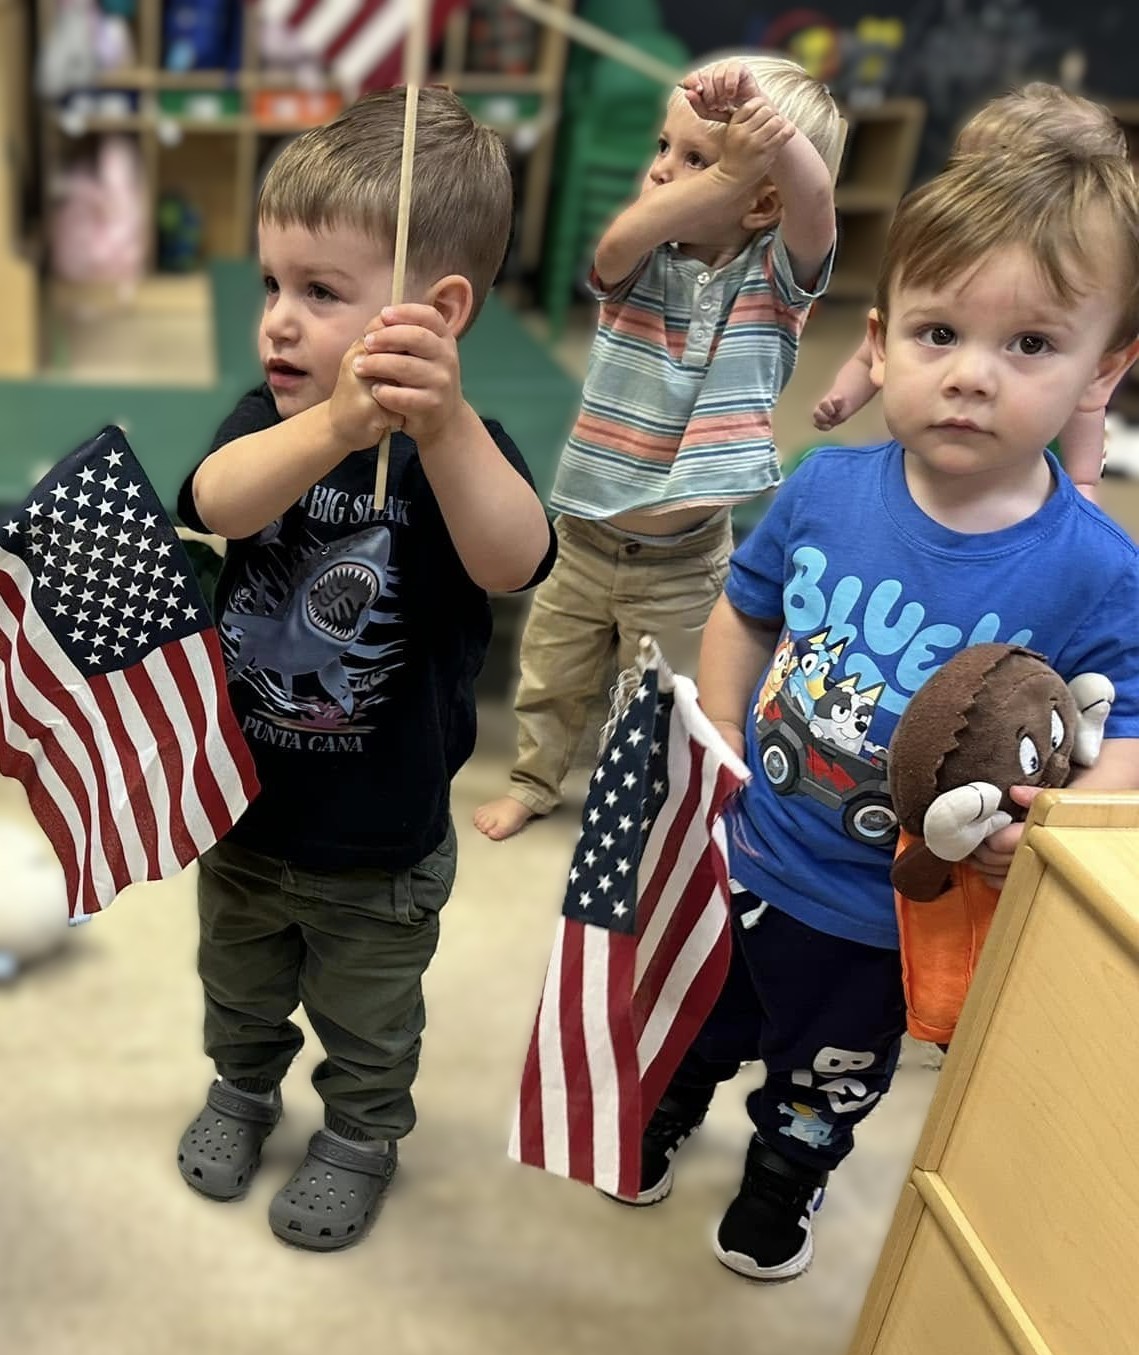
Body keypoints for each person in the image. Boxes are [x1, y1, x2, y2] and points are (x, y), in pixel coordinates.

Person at [614, 143, 1139, 1281]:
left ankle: (778, 1184)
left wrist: (1042, 829)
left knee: (825, 1076)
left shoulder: (1094, 571)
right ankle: (659, 1119)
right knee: (694, 1022)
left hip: (887, 913)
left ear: (1101, 374)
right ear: (877, 339)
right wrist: (715, 748)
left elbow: (1128, 740)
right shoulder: (821, 488)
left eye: (1031, 345)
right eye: (937, 333)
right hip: (750, 852)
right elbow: (743, 611)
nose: (969, 376)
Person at [174, 88, 555, 1251]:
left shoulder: (468, 452)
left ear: (437, 314)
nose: (278, 324)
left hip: (382, 844)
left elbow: (513, 559)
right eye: (272, 287)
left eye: (322, 293)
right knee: (237, 990)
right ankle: (242, 1088)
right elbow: (213, 502)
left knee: (370, 1018)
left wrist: (434, 434)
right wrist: (333, 428)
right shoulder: (271, 418)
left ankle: (358, 1134)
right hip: (245, 814)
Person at [474, 55, 843, 841]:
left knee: (651, 697)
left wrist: (755, 124)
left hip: (682, 558)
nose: (662, 170)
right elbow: (610, 248)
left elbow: (814, 202)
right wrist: (715, 177)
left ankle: (622, 807)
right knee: (550, 675)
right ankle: (534, 781)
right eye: (663, 149)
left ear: (760, 201)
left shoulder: (775, 280)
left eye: (696, 158)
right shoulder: (642, 265)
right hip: (584, 534)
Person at [813, 84, 1129, 501]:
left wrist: (1084, 484)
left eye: (1032, 342)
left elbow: (1088, 409)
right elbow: (876, 344)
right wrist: (844, 396)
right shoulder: (933, 250)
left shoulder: (1086, 269)